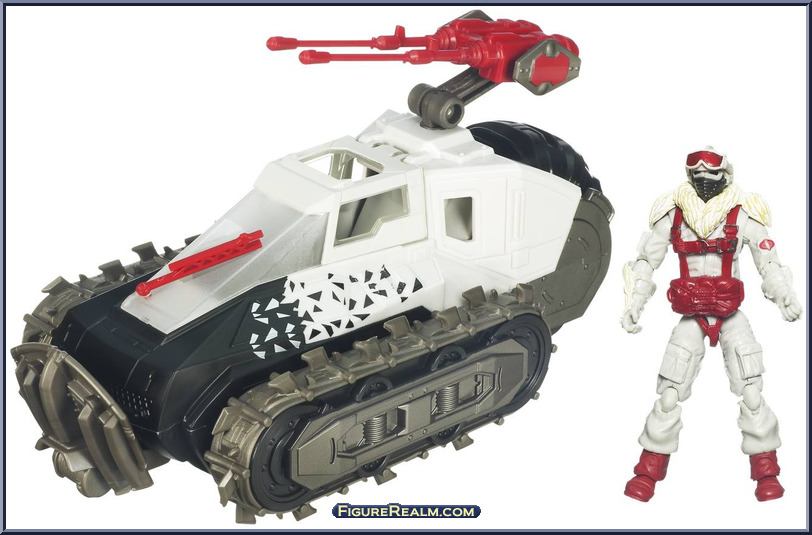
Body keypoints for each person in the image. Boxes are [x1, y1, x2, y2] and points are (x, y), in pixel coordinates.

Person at [620, 147, 802, 502]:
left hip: (730, 314)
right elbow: (645, 261)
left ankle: (766, 470)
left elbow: (768, 262)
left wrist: (785, 296)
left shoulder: (744, 211)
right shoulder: (673, 213)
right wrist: (634, 301)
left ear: (726, 175)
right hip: (692, 316)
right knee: (670, 392)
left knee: (751, 389)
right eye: (698, 174)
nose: (705, 180)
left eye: (712, 174)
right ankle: (648, 469)